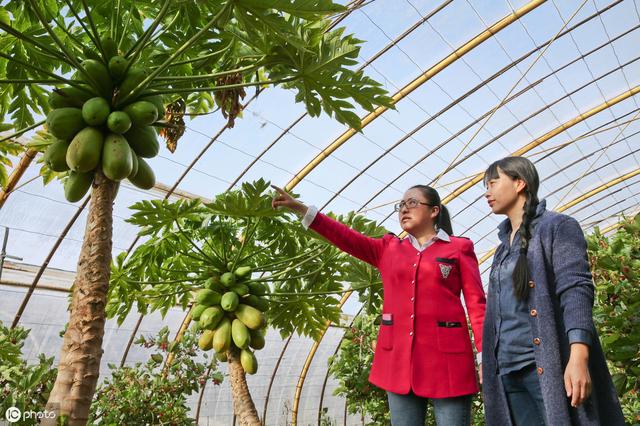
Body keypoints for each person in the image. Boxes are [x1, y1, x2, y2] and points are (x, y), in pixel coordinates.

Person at [272, 184, 486, 426]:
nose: (404, 209)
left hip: (449, 363)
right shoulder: (388, 249)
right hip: (398, 363)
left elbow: (477, 304)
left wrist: (484, 356)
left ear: (434, 210)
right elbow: (346, 237)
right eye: (401, 205)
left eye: (412, 203)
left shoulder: (459, 248)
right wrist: (303, 210)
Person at [481, 156, 625, 426]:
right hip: (508, 371)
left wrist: (578, 357)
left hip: (545, 366)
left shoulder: (557, 227)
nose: (487, 192)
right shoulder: (501, 250)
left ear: (520, 183)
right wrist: (489, 364)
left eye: (493, 182)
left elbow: (576, 290)